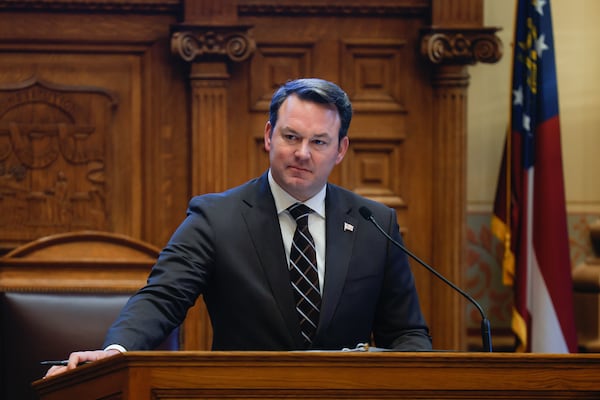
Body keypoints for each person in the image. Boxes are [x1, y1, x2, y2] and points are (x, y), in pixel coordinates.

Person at [45, 77, 431, 377]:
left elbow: (407, 333)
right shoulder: (217, 217)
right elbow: (163, 297)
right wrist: (115, 353)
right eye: (291, 137)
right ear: (268, 136)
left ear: (340, 149)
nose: (302, 153)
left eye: (319, 141)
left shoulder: (374, 223)